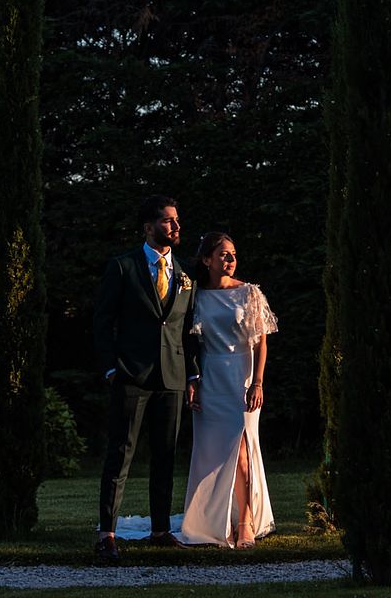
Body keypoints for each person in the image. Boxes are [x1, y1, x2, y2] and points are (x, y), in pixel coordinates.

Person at [92, 194, 199, 565]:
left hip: (171, 377)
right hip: (131, 376)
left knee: (165, 457)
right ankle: (106, 534)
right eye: (168, 221)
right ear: (149, 227)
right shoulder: (123, 267)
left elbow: (186, 330)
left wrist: (192, 374)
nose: (176, 227)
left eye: (177, 220)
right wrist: (110, 368)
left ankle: (159, 530)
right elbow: (102, 322)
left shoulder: (185, 275)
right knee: (120, 455)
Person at [176, 232, 277, 548]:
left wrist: (257, 382)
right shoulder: (195, 296)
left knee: (243, 452)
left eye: (233, 254)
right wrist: (192, 380)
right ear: (207, 259)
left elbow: (261, 340)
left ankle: (245, 522)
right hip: (210, 377)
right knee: (215, 454)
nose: (230, 259)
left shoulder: (249, 293)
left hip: (242, 379)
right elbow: (188, 342)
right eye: (223, 254)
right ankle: (217, 521)